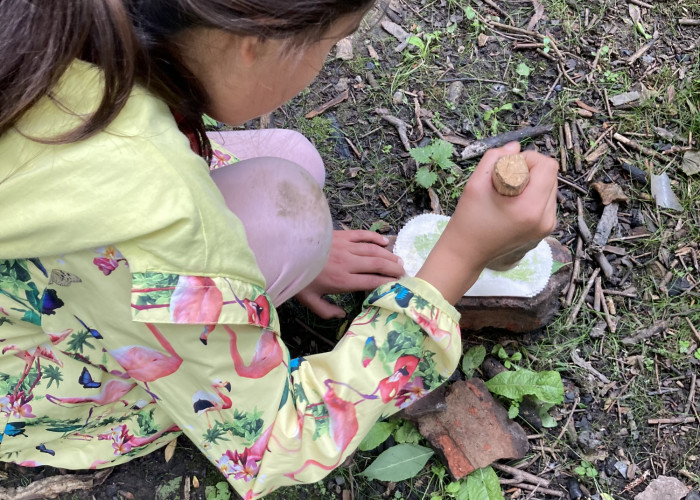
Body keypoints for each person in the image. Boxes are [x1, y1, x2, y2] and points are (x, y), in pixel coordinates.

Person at [0, 1, 558, 498]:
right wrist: (458, 258)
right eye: (329, 43)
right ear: (254, 42)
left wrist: (275, 259)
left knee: (290, 169)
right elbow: (274, 444)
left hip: (50, 258)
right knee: (280, 214)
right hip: (29, 373)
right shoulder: (153, 216)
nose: (325, 60)